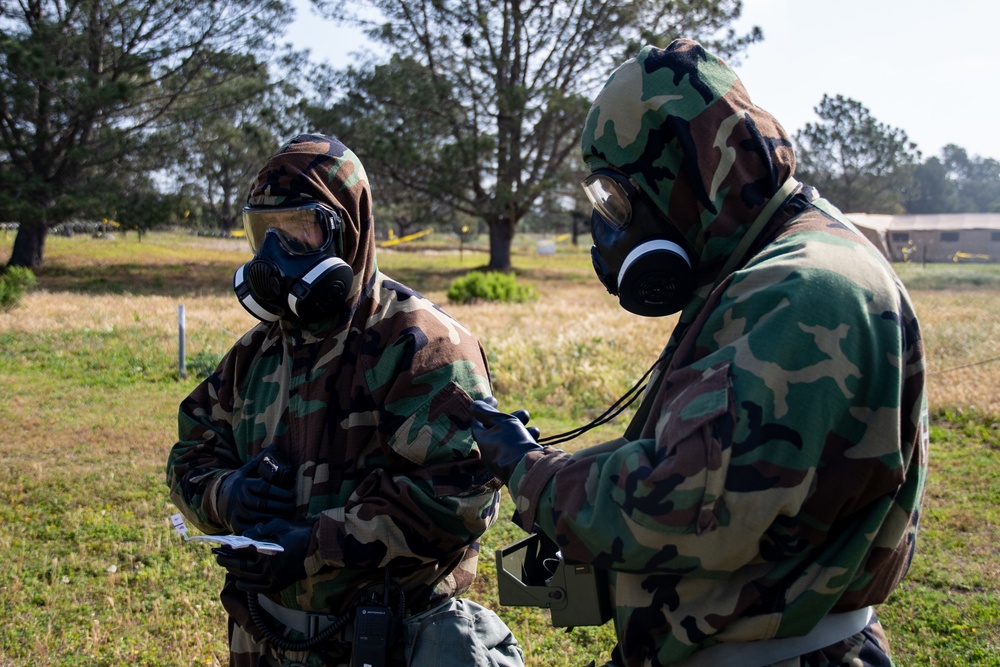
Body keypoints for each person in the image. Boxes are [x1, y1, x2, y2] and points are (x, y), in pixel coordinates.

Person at [471, 39, 927, 667]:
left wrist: (530, 473)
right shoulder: (757, 262)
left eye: (618, 195)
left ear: (681, 171)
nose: (613, 223)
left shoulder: (801, 288)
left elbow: (688, 507)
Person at [167, 134, 524, 667]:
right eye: (263, 233)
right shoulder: (256, 352)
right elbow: (190, 456)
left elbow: (461, 496)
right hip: (264, 637)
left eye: (297, 232)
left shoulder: (420, 342)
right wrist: (230, 494)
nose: (273, 256)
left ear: (347, 229)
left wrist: (315, 544)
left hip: (385, 639)